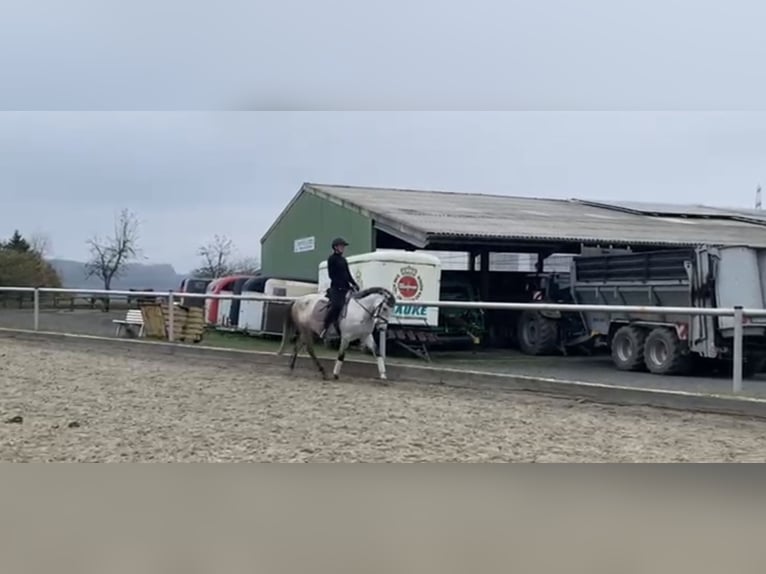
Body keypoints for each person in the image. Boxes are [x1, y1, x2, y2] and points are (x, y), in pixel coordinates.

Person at [320, 237, 360, 339]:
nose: (343, 248)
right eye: (341, 246)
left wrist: (354, 284)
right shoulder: (332, 259)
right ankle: (325, 327)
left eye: (343, 246)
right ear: (335, 247)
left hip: (346, 288)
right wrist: (341, 284)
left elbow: (348, 274)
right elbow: (331, 275)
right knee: (336, 306)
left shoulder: (343, 260)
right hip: (336, 288)